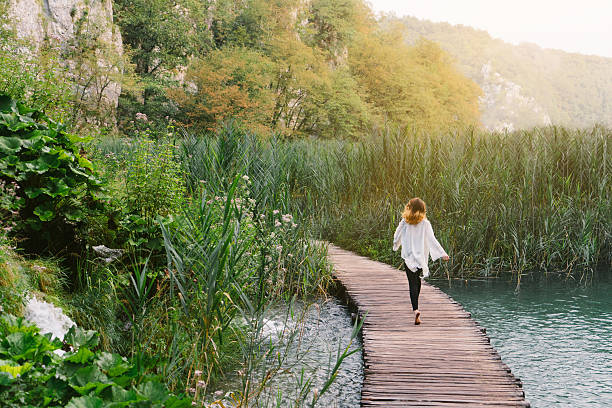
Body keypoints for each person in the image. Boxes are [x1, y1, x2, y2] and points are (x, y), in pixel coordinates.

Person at [393, 197, 449, 325]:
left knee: (412, 283)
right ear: (423, 210)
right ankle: (416, 309)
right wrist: (442, 253)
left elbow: (397, 235)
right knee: (417, 281)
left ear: (409, 208)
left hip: (408, 257)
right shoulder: (425, 223)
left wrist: (396, 245)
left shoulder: (405, 222)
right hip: (420, 258)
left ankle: (415, 310)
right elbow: (432, 239)